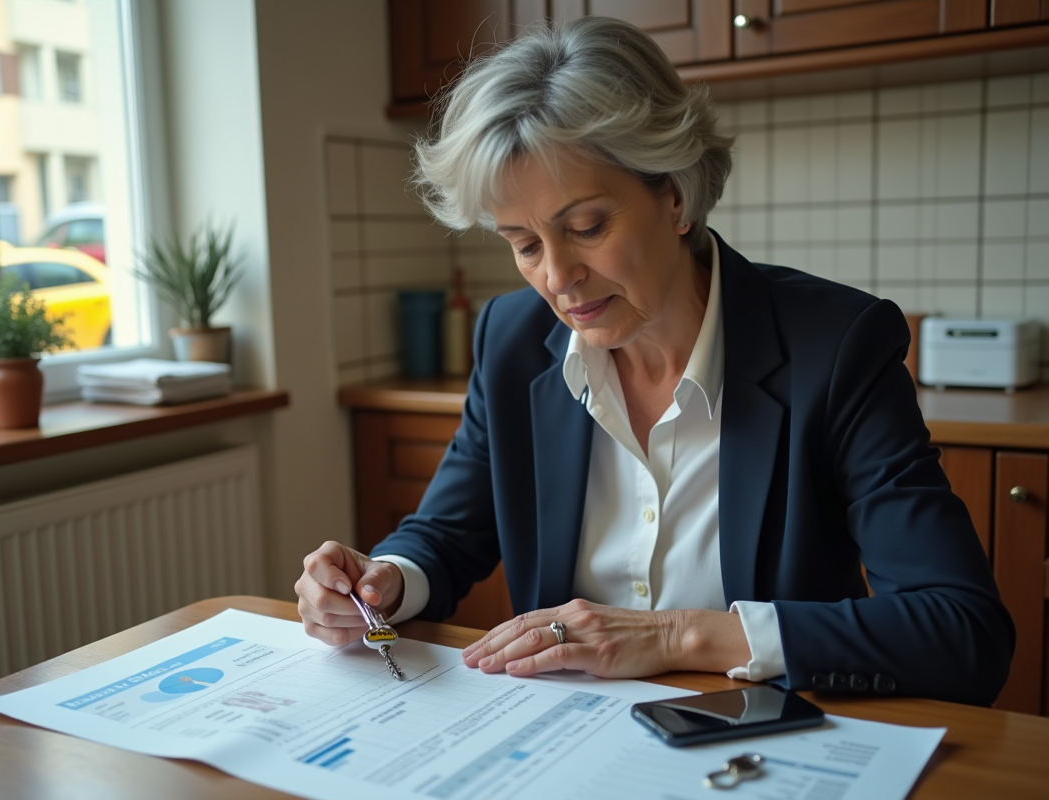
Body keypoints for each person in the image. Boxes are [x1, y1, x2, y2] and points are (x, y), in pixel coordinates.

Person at [295, 16, 1013, 706]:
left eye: (587, 227)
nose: (557, 277)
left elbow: (963, 631)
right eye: (525, 244)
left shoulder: (836, 347)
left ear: (674, 195)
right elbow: (450, 532)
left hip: (761, 741)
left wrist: (676, 636)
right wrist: (385, 580)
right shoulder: (510, 340)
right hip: (561, 734)